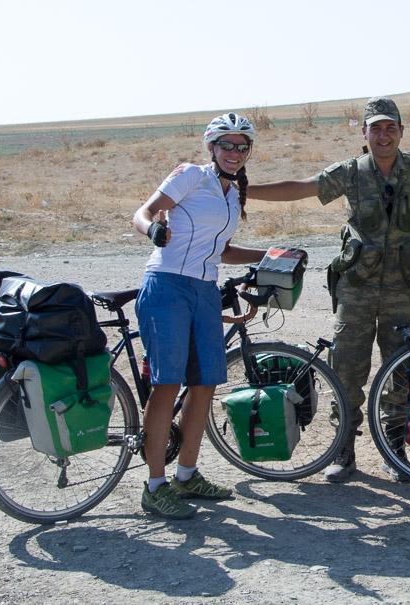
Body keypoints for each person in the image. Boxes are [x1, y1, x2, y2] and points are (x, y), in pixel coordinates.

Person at [247, 97, 410, 483]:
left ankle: (393, 447)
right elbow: (302, 188)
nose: (383, 135)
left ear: (401, 132)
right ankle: (343, 450)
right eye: (376, 128)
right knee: (346, 370)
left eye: (391, 128)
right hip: (356, 288)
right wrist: (243, 188)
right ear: (365, 133)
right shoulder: (350, 173)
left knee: (403, 370)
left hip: (403, 289)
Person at [132, 113, 267, 519]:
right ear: (211, 147)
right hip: (167, 286)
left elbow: (221, 251)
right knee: (167, 385)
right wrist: (151, 230)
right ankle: (155, 486)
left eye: (242, 147)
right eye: (226, 145)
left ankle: (186, 476)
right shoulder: (191, 175)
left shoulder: (231, 194)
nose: (234, 153)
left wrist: (271, 255)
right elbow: (144, 212)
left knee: (205, 384)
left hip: (205, 290)